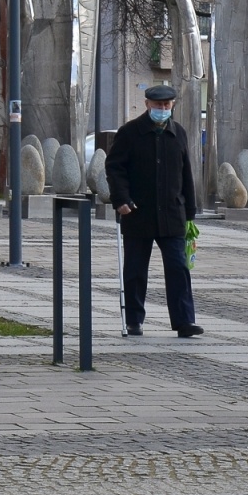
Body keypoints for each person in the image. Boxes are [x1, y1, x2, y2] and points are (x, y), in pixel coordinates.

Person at [105, 84, 203, 338]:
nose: (162, 108)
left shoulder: (178, 132)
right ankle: (133, 320)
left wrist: (190, 211)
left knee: (178, 267)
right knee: (135, 270)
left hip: (172, 213)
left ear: (173, 105)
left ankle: (184, 321)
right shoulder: (130, 132)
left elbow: (186, 173)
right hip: (138, 212)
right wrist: (121, 199)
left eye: (166, 105)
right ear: (147, 104)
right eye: (158, 104)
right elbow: (115, 168)